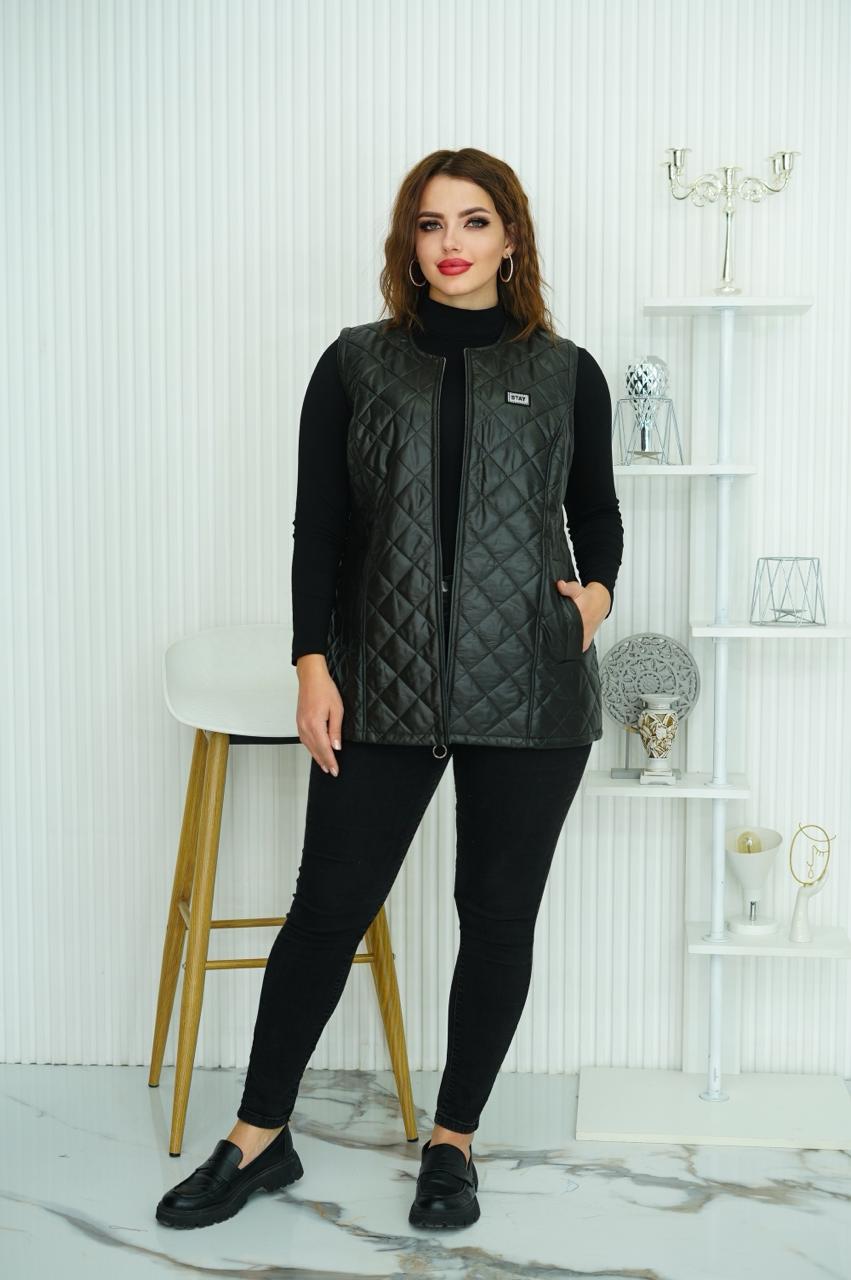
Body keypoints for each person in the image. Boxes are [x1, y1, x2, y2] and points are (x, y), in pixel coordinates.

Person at [156, 147, 623, 1232]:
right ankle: (258, 1135)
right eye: (429, 223)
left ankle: (452, 1143)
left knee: (495, 918)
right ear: (407, 243)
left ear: (510, 239)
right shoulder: (355, 363)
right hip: (380, 677)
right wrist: (311, 662)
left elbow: (595, 510)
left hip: (530, 686)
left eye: (473, 221)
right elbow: (318, 524)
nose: (450, 243)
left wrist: (592, 601)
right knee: (327, 909)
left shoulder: (566, 371)